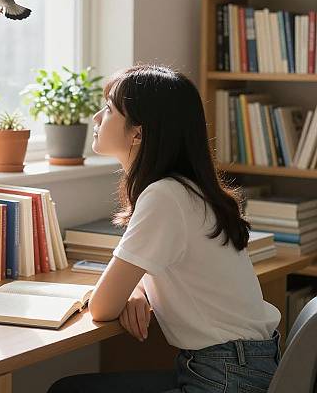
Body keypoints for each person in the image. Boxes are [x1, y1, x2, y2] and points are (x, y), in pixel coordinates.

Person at [48, 64, 281, 393]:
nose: (97, 119)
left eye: (109, 110)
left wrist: (122, 291)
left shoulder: (164, 196)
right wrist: (135, 289)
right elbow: (148, 270)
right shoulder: (185, 189)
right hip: (237, 365)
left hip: (226, 377)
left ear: (138, 133)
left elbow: (101, 306)